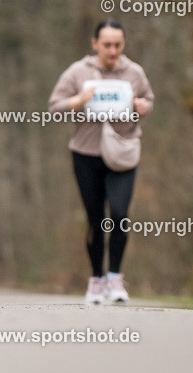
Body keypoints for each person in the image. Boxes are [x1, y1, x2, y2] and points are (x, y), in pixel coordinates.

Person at [48, 19, 154, 304]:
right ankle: (96, 278)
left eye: (118, 45)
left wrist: (142, 106)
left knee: (119, 214)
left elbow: (148, 99)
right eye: (107, 45)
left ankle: (115, 277)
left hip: (122, 153)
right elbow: (54, 108)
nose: (113, 50)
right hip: (86, 154)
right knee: (96, 219)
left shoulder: (134, 72)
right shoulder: (78, 72)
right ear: (95, 44)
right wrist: (78, 100)